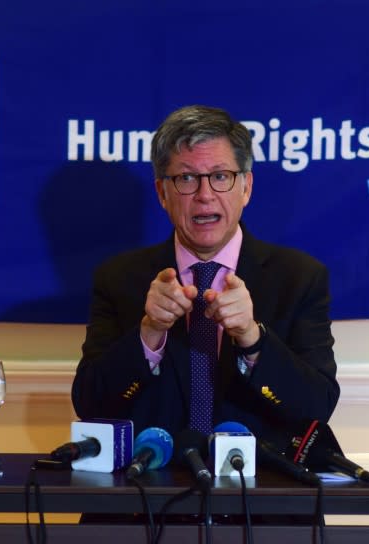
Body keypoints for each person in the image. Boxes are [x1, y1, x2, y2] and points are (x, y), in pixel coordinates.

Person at [71, 105, 339, 442]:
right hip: (152, 484)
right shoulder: (119, 278)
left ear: (246, 187)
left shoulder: (299, 278)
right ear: (161, 193)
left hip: (259, 486)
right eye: (186, 178)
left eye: (221, 176)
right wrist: (149, 332)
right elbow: (90, 405)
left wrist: (252, 339)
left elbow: (318, 408)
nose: (205, 195)